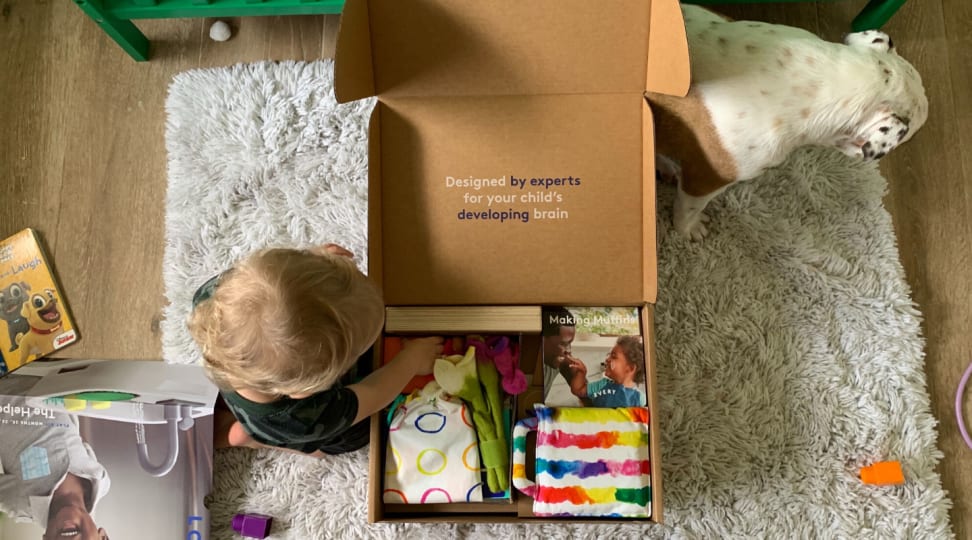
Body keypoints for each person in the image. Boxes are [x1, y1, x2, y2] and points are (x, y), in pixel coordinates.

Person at [188, 243, 442, 457]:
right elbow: (372, 393)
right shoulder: (304, 419)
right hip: (299, 430)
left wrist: (319, 266)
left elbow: (279, 281)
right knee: (344, 438)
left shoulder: (216, 297)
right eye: (358, 350)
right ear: (307, 390)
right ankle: (254, 439)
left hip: (265, 396)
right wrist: (411, 360)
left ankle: (247, 432)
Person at [0, 376, 111, 540]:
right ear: (102, 537)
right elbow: (77, 439)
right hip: (51, 375)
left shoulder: (22, 503)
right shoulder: (101, 480)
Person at [563, 335, 646, 407]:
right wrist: (581, 372)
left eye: (613, 356)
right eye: (609, 355)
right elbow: (578, 390)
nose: (607, 359)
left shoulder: (640, 398)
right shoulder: (602, 385)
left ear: (630, 368)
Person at [541, 307, 582, 406]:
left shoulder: (558, 360)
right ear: (542, 340)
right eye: (563, 344)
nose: (568, 350)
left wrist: (579, 375)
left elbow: (591, 400)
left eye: (570, 343)